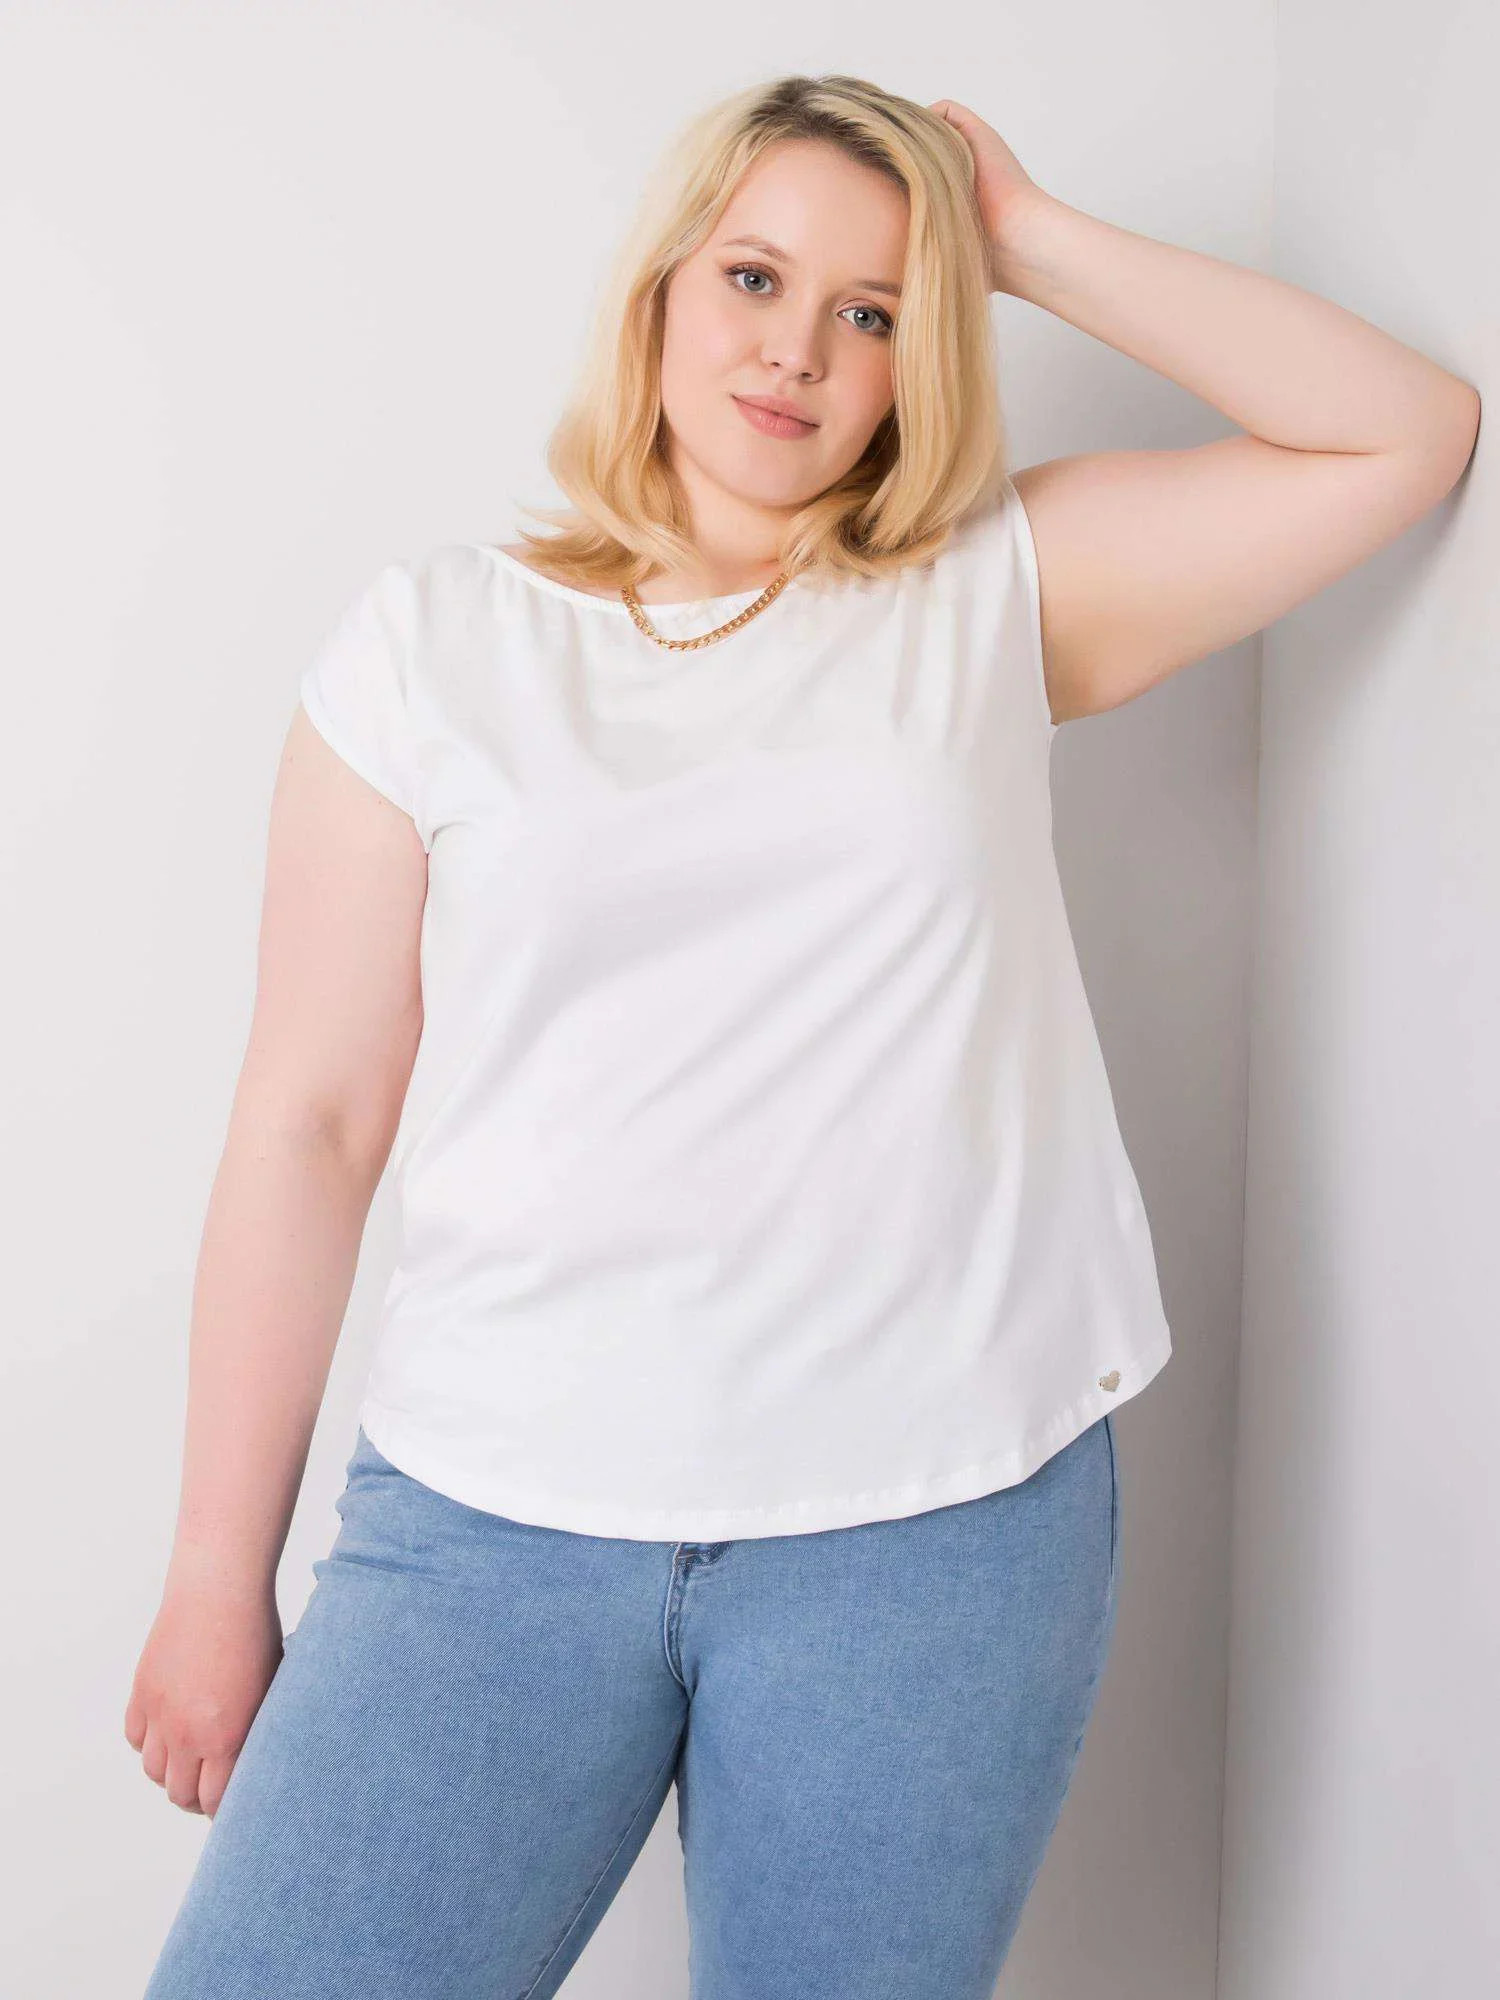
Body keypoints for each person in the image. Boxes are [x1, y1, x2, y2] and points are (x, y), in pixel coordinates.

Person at [127, 70, 1478, 2000]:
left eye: (873, 312)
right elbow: (310, 1124)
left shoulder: (995, 593)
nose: (799, 351)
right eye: (756, 278)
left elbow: (1405, 433)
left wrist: (1028, 239)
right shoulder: (434, 647)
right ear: (663, 288)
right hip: (493, 1518)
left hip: (933, 1537)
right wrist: (214, 1570)